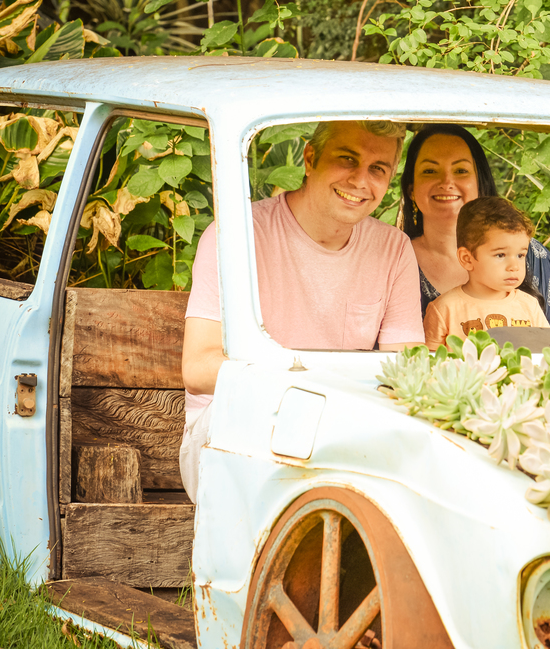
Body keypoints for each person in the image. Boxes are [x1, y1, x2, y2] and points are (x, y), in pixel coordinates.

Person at [179, 120, 425, 502]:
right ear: (310, 159)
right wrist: (316, 380)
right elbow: (198, 369)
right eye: (347, 159)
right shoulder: (237, 236)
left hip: (344, 430)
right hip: (235, 430)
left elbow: (408, 371)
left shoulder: (392, 249)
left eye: (378, 169)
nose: (361, 180)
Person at [400, 124, 550, 329]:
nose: (447, 182)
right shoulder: (395, 261)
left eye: (461, 170)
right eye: (430, 171)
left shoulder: (531, 256)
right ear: (411, 188)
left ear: (480, 183)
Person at [424, 197, 550, 350]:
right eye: (500, 255)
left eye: (520, 255)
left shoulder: (529, 305)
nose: (514, 266)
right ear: (467, 259)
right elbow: (429, 362)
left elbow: (545, 356)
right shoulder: (444, 309)